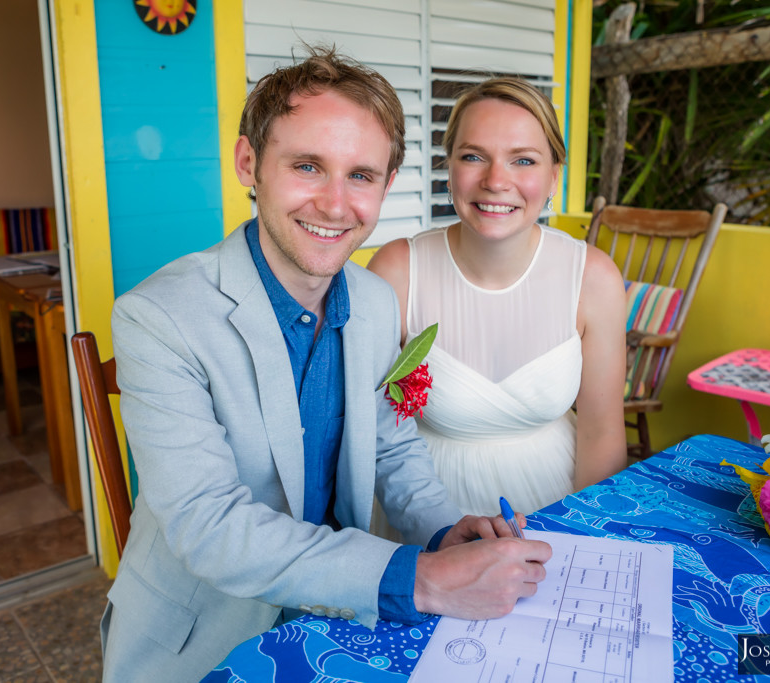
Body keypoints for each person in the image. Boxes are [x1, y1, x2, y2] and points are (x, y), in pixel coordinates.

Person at [100, 47, 552, 683]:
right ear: (248, 164)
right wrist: (419, 577)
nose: (336, 205)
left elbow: (392, 450)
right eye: (309, 166)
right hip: (205, 638)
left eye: (361, 175)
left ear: (386, 185)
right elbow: (208, 526)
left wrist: (443, 533)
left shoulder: (371, 300)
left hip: (341, 612)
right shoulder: (157, 317)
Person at [367, 77, 628, 523]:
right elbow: (369, 424)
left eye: (523, 160)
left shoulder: (593, 278)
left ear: (553, 177)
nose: (495, 181)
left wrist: (585, 532)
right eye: (473, 157)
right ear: (448, 167)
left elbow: (602, 432)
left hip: (554, 504)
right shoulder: (397, 272)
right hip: (423, 508)